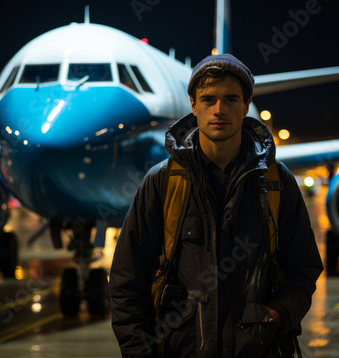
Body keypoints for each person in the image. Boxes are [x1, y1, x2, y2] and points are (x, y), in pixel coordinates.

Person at [109, 54, 323, 357]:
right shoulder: (163, 181)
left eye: (230, 99)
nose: (219, 110)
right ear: (193, 105)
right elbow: (126, 280)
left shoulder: (276, 181)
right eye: (208, 100)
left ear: (247, 105)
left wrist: (276, 316)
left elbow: (304, 268)